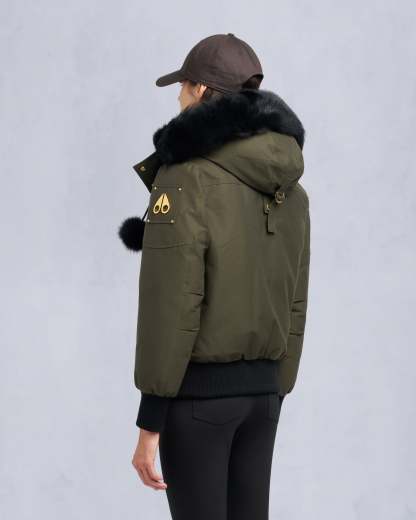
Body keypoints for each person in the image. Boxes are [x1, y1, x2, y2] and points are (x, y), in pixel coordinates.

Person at [119, 33, 311, 520]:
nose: (179, 99)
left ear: (202, 90)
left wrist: (150, 419)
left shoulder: (185, 177)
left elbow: (171, 301)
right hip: (263, 397)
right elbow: (296, 293)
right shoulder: (292, 190)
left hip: (199, 400)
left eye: (183, 87)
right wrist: (276, 385)